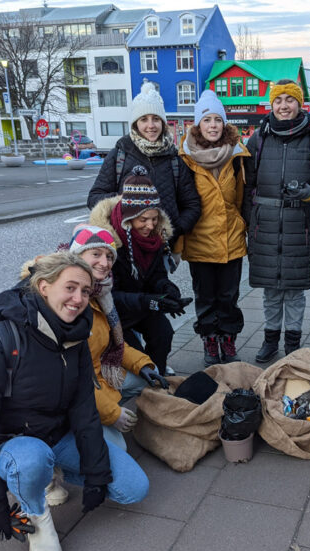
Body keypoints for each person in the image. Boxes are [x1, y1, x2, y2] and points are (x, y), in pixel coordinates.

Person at [0, 252, 148, 551]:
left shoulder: (75, 332)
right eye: (70, 288)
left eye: (86, 291)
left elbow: (84, 411)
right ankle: (35, 509)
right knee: (32, 460)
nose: (78, 299)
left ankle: (48, 475)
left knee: (134, 489)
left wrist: (96, 477)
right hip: (15, 442)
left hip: (58, 434)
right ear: (44, 286)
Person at [243, 79, 310, 363]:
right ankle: (270, 340)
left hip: (299, 226)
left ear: (299, 103)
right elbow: (247, 187)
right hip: (265, 226)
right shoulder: (257, 139)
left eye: (289, 100)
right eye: (278, 100)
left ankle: (292, 343)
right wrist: (249, 223)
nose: (284, 105)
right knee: (271, 291)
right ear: (272, 105)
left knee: (294, 291)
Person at [64, 226, 169, 449]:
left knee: (148, 377)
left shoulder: (100, 293)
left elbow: (115, 343)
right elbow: (74, 378)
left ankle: (103, 413)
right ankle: (68, 437)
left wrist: (144, 366)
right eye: (96, 254)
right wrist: (113, 414)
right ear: (77, 255)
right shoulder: (69, 301)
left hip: (97, 377)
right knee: (119, 453)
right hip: (73, 394)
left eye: (109, 256)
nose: (105, 262)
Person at [89, 167, 191, 375]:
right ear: (128, 218)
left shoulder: (155, 236)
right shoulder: (107, 244)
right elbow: (106, 294)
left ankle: (158, 376)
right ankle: (142, 381)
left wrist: (167, 290)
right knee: (135, 356)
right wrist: (149, 301)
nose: (150, 225)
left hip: (138, 303)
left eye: (154, 219)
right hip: (112, 312)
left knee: (163, 333)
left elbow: (156, 275)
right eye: (143, 220)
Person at [87, 80, 201, 264]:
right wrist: (125, 200)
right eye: (144, 119)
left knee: (160, 291)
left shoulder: (174, 159)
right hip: (124, 248)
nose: (151, 125)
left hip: (160, 248)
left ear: (163, 123)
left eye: (156, 119)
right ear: (135, 124)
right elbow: (95, 197)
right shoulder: (119, 155)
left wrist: (172, 230)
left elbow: (192, 204)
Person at [179, 90, 251, 366]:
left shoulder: (237, 155)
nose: (212, 125)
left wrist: (244, 228)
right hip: (200, 243)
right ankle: (210, 341)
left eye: (217, 120)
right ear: (198, 125)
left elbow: (243, 199)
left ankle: (228, 340)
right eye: (206, 119)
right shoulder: (186, 159)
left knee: (229, 298)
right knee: (206, 298)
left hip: (232, 240)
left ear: (225, 124)